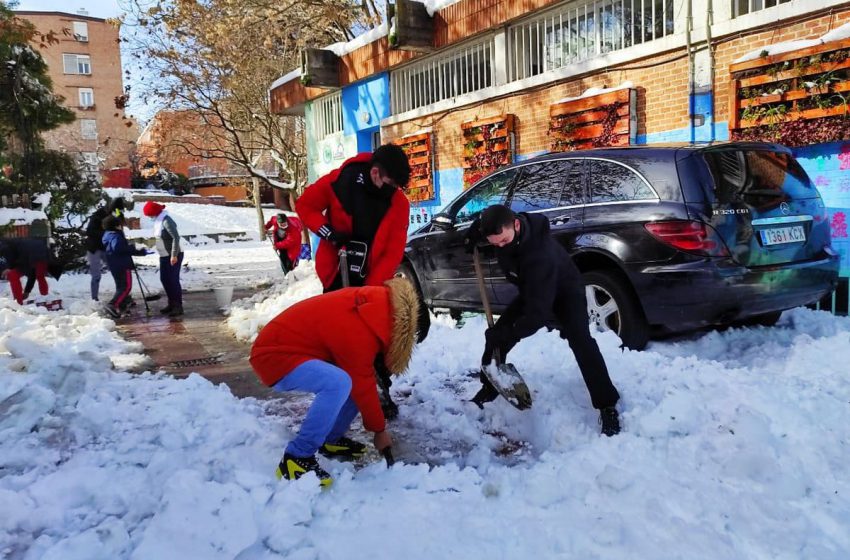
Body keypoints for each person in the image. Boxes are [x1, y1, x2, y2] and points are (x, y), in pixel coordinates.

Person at [249, 277, 423, 485]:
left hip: (292, 350)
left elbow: (361, 381)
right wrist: (379, 430)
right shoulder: (360, 329)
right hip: (273, 357)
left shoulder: (375, 306)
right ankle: (296, 458)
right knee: (339, 382)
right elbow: (363, 382)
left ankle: (330, 439)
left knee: (347, 381)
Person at [467, 204, 622, 436]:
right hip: (534, 291)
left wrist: (508, 334)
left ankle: (607, 404)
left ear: (516, 225)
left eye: (503, 241)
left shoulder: (539, 255)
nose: (499, 246)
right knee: (497, 333)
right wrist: (471, 236)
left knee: (581, 341)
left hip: (566, 294)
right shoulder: (501, 228)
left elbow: (536, 316)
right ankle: (490, 386)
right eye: (494, 243)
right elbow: (481, 228)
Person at [296, 143, 418, 421]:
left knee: (373, 334)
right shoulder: (341, 181)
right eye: (390, 183)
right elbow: (306, 206)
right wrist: (327, 232)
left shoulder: (397, 202)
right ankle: (338, 389)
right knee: (337, 332)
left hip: (371, 278)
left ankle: (379, 388)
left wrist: (370, 290)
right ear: (376, 173)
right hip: (336, 271)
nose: (394, 190)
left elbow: (394, 249)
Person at [142, 201, 184, 317]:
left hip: (173, 255)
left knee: (173, 280)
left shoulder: (166, 221)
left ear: (154, 213)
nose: (150, 218)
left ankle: (177, 306)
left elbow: (176, 237)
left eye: (150, 215)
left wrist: (174, 255)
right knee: (165, 279)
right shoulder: (159, 221)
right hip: (164, 255)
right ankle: (171, 303)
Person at [101, 215, 148, 318]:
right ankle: (113, 305)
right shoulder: (116, 235)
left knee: (120, 286)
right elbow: (118, 248)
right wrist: (136, 250)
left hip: (114, 264)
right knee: (126, 286)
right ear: (116, 225)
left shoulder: (107, 234)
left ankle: (123, 305)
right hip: (122, 264)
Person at [0, 238, 52, 305]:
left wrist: (27, 291)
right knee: (13, 274)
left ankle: (44, 297)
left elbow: (32, 275)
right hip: (29, 256)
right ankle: (18, 302)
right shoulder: (8, 246)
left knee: (39, 275)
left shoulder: (5, 247)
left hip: (36, 255)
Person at [85, 202, 110, 301]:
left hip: (105, 248)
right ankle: (94, 298)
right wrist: (105, 233)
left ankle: (123, 295)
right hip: (94, 248)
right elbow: (89, 231)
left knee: (117, 271)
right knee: (96, 275)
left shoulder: (113, 216)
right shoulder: (96, 217)